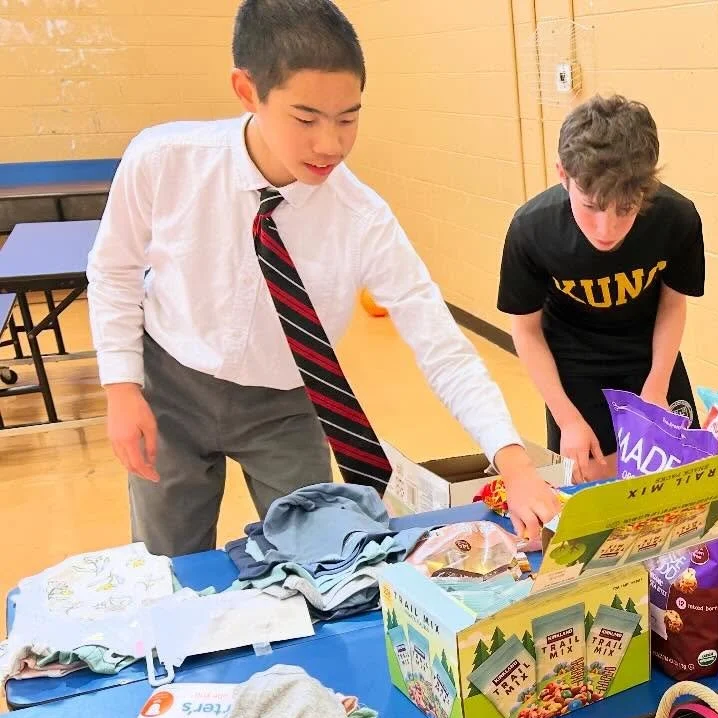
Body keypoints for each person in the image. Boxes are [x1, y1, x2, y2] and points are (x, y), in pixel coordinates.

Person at [88, 0, 559, 558]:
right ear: (247, 91)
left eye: (349, 118)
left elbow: (441, 345)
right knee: (169, 561)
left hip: (285, 402)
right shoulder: (165, 159)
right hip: (169, 386)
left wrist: (516, 463)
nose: (330, 145)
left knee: (322, 562)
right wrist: (121, 388)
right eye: (306, 119)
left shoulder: (361, 216)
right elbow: (113, 269)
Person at [497, 95, 705, 481]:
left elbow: (673, 303)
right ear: (563, 174)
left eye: (626, 209)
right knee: (592, 482)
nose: (606, 230)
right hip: (575, 364)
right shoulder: (532, 229)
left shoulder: (677, 218)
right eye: (591, 207)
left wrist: (656, 386)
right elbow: (525, 331)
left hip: (650, 355)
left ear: (646, 186)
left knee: (676, 481)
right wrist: (567, 418)